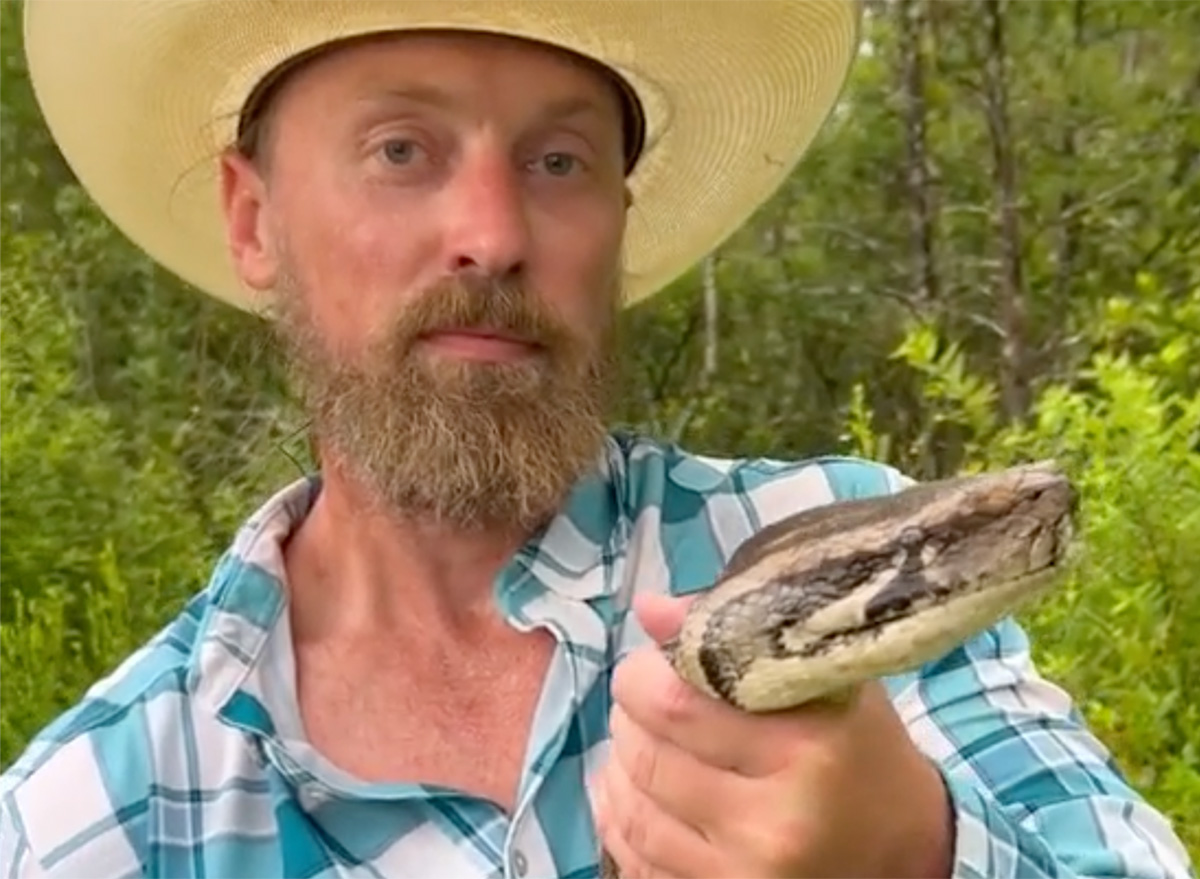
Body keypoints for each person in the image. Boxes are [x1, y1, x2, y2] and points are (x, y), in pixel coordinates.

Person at [3, 2, 1192, 877]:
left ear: (615, 225)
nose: (492, 235)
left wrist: (915, 856)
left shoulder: (839, 543)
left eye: (558, 160)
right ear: (254, 222)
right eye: (401, 150)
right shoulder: (97, 810)